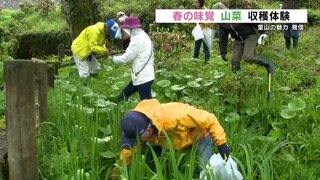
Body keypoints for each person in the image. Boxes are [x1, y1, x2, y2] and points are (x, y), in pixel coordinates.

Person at [112, 98, 230, 177]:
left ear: (148, 130)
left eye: (137, 139)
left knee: (205, 169)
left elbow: (210, 119)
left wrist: (221, 144)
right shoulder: (139, 124)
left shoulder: (177, 116)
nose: (135, 143)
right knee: (152, 160)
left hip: (198, 137)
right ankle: (158, 172)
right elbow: (127, 152)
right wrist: (115, 174)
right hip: (165, 138)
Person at [110, 17, 154, 101]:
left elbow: (126, 58)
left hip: (143, 77)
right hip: (144, 75)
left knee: (147, 107)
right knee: (124, 95)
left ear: (130, 29)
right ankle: (116, 105)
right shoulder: (144, 36)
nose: (124, 32)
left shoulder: (137, 39)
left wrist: (114, 59)